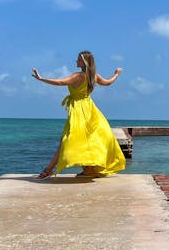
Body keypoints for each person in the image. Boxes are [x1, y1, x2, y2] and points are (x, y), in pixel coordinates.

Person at [32, 51, 126, 179]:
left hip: (79, 110)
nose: (76, 62)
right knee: (89, 138)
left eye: (78, 60)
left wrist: (42, 79)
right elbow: (108, 82)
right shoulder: (94, 76)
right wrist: (117, 73)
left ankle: (48, 170)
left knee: (67, 139)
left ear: (84, 62)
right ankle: (88, 170)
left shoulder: (78, 76)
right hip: (90, 109)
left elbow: (60, 82)